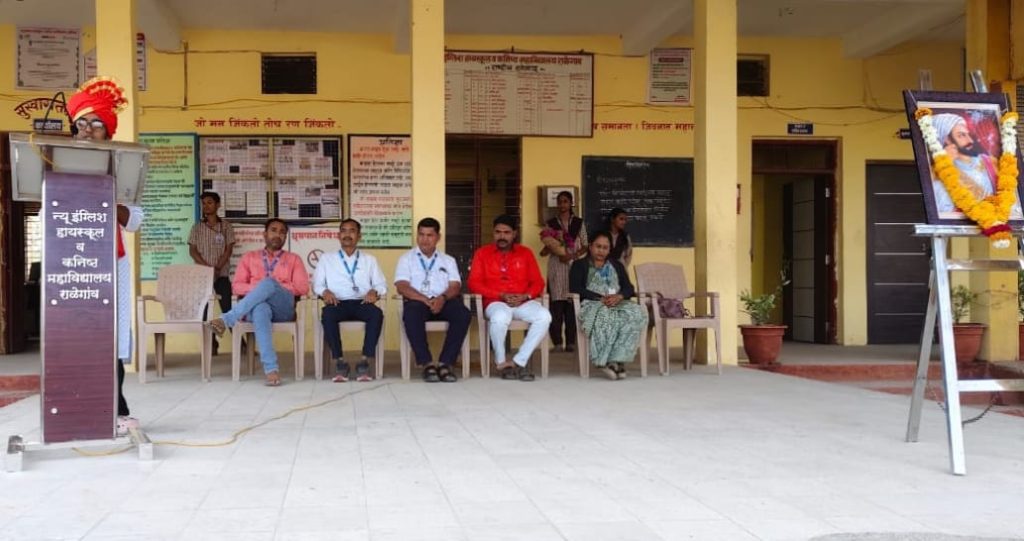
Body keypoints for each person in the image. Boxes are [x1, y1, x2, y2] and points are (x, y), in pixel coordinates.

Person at [67, 76, 142, 435]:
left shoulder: (122, 169)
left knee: (110, 337)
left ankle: (116, 409)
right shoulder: (56, 165)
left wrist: (109, 196)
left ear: (108, 134)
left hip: (111, 264)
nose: (87, 130)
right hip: (69, 265)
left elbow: (136, 219)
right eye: (81, 123)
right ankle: (73, 408)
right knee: (74, 336)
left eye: (95, 124)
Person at [208, 218, 309, 386]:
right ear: (265, 234)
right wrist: (260, 290)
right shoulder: (249, 258)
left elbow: (302, 288)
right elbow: (237, 287)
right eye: (273, 230)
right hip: (255, 309)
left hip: (283, 309)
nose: (278, 235)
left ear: (285, 237)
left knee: (269, 283)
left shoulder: (294, 259)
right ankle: (271, 369)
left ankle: (226, 319)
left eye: (282, 232)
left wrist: (274, 286)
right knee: (261, 308)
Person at [468, 214, 550, 381]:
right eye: (498, 232)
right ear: (493, 233)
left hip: (522, 302)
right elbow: (473, 283)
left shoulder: (525, 253)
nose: (502, 236)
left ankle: (519, 361)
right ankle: (501, 362)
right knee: (500, 316)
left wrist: (525, 296)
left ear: (514, 234)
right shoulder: (482, 254)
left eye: (506, 232)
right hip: (495, 302)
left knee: (544, 316)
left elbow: (538, 282)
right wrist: (500, 295)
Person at [394, 218, 471, 382]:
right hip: (418, 301)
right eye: (421, 234)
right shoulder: (406, 259)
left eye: (429, 235)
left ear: (438, 237)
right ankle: (426, 363)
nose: (424, 239)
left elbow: (455, 286)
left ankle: (446, 363)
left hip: (443, 300)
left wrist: (442, 298)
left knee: (463, 314)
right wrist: (423, 299)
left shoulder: (448, 260)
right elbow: (401, 286)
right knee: (411, 313)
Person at [312, 219, 386, 383]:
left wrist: (374, 291)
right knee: (328, 315)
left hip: (362, 302)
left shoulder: (369, 260)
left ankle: (364, 361)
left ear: (359, 236)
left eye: (352, 231)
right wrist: (325, 291)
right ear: (338, 235)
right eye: (343, 231)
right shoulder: (326, 259)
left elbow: (381, 284)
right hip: (337, 302)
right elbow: (317, 284)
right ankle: (339, 362)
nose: (347, 234)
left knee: (376, 314)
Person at [569, 231, 648, 380]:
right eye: (598, 246)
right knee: (606, 316)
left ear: (609, 249)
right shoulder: (579, 265)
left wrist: (619, 296)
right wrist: (600, 298)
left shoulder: (617, 265)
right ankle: (604, 360)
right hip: (592, 304)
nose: (601, 251)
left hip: (617, 303)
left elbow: (629, 288)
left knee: (637, 313)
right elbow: (575, 288)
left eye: (605, 248)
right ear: (590, 246)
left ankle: (618, 359)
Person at [929, 113, 1023, 218]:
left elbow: (1012, 201)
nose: (970, 140)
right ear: (947, 139)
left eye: (967, 134)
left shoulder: (990, 162)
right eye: (961, 135)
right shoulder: (938, 173)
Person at [188, 191, 235, 355]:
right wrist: (208, 269)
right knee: (204, 310)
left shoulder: (226, 226)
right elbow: (192, 251)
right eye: (203, 203)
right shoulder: (197, 228)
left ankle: (240, 343)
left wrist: (217, 268)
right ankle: (212, 344)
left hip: (221, 275)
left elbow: (228, 250)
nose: (206, 206)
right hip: (203, 276)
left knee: (228, 309)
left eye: (209, 202)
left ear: (218, 205)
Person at [539, 190, 587, 353]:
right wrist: (550, 246)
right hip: (556, 267)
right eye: (560, 202)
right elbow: (546, 249)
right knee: (556, 305)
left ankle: (571, 342)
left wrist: (572, 255)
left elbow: (585, 245)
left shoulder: (579, 223)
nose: (562, 204)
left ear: (571, 203)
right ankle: (557, 343)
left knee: (572, 304)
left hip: (574, 266)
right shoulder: (551, 223)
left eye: (565, 201)